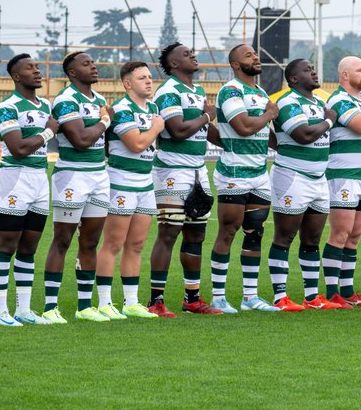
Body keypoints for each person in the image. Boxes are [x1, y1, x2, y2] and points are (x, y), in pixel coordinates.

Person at [150, 43, 221, 316]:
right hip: (172, 171)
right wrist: (206, 115)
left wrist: (232, 141)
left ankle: (192, 299)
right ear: (174, 64)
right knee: (169, 233)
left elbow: (205, 131)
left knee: (196, 234)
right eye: (185, 54)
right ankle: (155, 300)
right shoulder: (169, 91)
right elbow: (177, 130)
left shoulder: (196, 90)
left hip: (198, 171)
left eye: (192, 52)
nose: (192, 55)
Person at [42, 51, 112, 323]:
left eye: (93, 62)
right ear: (72, 73)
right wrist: (106, 121)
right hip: (72, 177)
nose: (93, 66)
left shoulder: (101, 100)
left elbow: (102, 141)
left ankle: (85, 307)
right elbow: (81, 139)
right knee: (62, 240)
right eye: (86, 64)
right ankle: (50, 308)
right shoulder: (66, 100)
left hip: (99, 175)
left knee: (91, 242)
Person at [268, 59, 343, 311]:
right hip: (292, 177)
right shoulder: (288, 102)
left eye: (313, 68)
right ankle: (280, 297)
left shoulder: (318, 103)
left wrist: (325, 120)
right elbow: (303, 135)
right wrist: (330, 121)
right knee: (285, 237)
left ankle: (312, 298)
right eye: (306, 70)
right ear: (293, 79)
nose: (313, 71)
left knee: (312, 239)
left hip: (318, 178)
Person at [0, 54, 58, 326]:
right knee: (7, 245)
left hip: (40, 178)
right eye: (30, 68)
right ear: (16, 76)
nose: (37, 71)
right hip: (14, 179)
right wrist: (48, 132)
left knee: (29, 247)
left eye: (38, 67)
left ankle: (24, 310)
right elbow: (18, 149)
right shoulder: (7, 107)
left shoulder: (46, 105)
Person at [209, 44, 279, 313]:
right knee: (227, 231)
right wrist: (269, 114)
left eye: (255, 53)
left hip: (260, 175)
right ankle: (218, 296)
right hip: (234, 174)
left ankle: (250, 297)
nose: (256, 57)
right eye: (248, 55)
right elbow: (244, 127)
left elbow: (262, 132)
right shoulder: (231, 90)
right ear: (236, 65)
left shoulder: (260, 92)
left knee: (255, 233)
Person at [96, 61, 164, 319]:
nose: (149, 81)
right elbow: (136, 144)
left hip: (145, 182)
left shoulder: (154, 107)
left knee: (136, 244)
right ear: (127, 84)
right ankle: (105, 302)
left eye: (149, 77)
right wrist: (156, 127)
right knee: (113, 243)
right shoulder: (122, 109)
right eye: (141, 78)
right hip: (121, 181)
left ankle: (131, 302)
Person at [322, 56, 361, 307]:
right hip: (343, 177)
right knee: (340, 234)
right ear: (345, 75)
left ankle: (347, 292)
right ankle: (331, 292)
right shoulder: (339, 100)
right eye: (360, 70)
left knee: (355, 236)